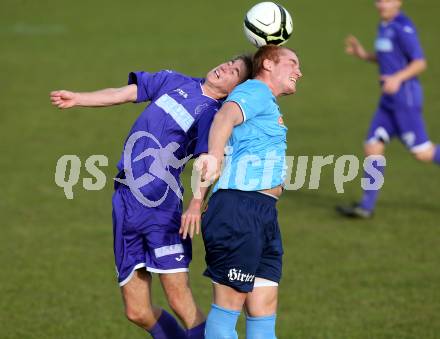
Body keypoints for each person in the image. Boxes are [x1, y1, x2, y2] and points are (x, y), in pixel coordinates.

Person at [50, 55, 252, 338]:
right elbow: (122, 93)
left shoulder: (214, 115)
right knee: (137, 311)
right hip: (124, 199)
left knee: (179, 299)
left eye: (235, 71)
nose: (225, 67)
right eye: (229, 61)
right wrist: (78, 98)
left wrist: (196, 203)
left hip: (161, 206)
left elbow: (209, 162)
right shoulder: (173, 80)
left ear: (236, 89)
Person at [181, 45, 302, 338]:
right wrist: (214, 155)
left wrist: (199, 199)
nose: (299, 71)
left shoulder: (265, 102)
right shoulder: (254, 91)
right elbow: (225, 118)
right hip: (238, 210)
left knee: (263, 308)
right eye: (292, 63)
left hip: (263, 214)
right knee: (227, 309)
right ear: (269, 65)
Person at [337, 0, 440, 218]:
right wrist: (363, 55)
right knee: (373, 147)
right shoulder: (384, 25)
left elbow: (420, 63)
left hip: (406, 101)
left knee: (423, 153)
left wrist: (397, 78)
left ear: (399, 2)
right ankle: (366, 207)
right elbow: (388, 58)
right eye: (379, 0)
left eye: (388, 0)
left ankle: (366, 206)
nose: (382, 4)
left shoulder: (404, 27)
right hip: (388, 102)